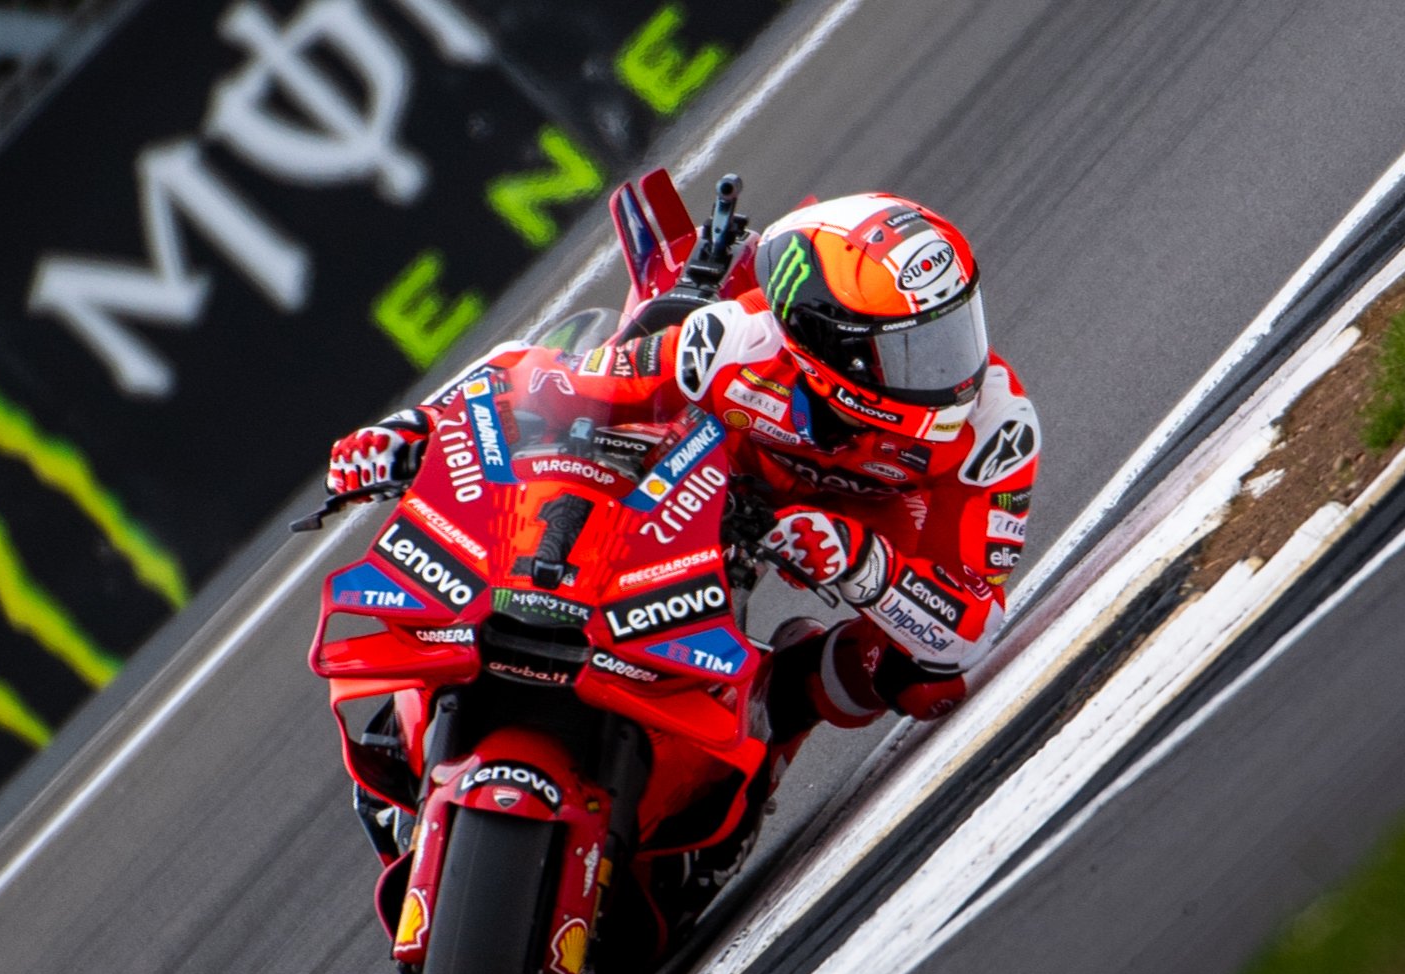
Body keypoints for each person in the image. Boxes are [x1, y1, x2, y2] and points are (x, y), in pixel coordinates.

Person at [325, 192, 1037, 779]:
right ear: (830, 346)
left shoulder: (994, 428)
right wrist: (413, 429)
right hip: (709, 486)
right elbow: (540, 375)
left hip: (867, 526)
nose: (953, 371)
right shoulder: (734, 347)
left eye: (954, 330)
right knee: (570, 425)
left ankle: (778, 712)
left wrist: (861, 562)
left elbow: (969, 625)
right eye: (913, 349)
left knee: (923, 680)